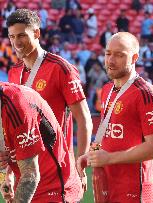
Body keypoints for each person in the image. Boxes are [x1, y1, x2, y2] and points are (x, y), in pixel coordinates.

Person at [6, 8, 93, 187]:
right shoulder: (14, 73)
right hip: (25, 175)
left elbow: (84, 119)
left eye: (21, 35)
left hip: (56, 173)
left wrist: (81, 164)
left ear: (37, 33)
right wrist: (8, 174)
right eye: (12, 37)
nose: (16, 43)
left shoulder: (61, 68)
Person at [78, 32, 153, 202]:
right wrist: (91, 155)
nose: (110, 60)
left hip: (135, 192)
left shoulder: (145, 94)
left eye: (119, 55)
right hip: (107, 187)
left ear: (134, 58)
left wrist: (110, 158)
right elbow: (111, 136)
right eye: (108, 53)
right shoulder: (107, 90)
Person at [0, 82, 83, 202]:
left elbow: (30, 176)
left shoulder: (16, 105)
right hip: (28, 187)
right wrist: (6, 175)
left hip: (55, 191)